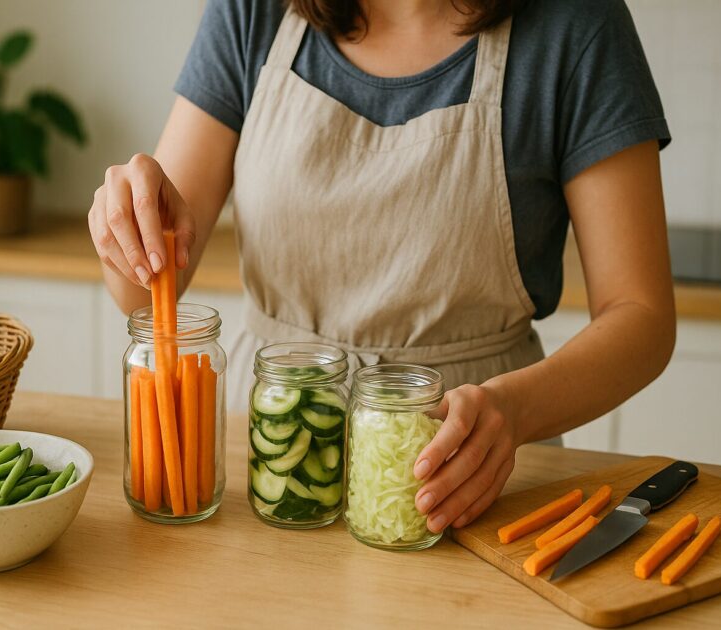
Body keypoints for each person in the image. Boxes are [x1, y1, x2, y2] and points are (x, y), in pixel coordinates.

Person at [88, 0, 675, 535]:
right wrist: (124, 223)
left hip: (472, 471)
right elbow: (147, 297)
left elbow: (642, 317)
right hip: (264, 470)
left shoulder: (578, 25)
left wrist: (513, 411)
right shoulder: (253, 12)